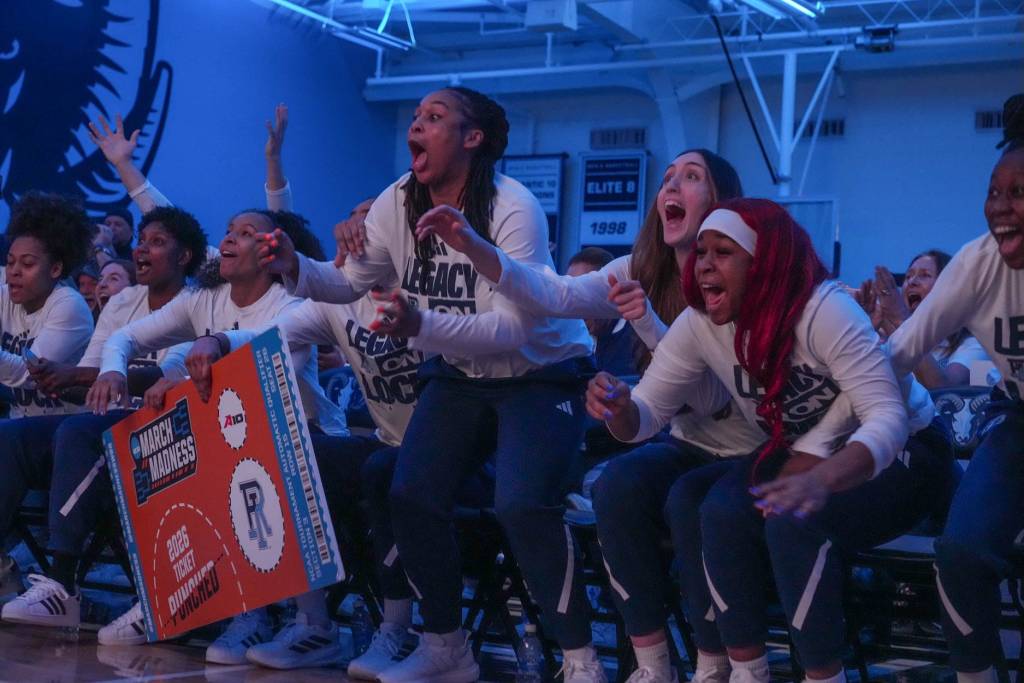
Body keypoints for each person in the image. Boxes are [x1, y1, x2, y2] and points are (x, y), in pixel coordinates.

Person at [261, 87, 604, 683]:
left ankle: (579, 657)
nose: (417, 125)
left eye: (434, 117)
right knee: (409, 490)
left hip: (539, 373)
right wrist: (295, 265)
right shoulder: (399, 197)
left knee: (521, 504)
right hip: (459, 373)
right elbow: (351, 284)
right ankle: (446, 645)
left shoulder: (512, 207)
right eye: (416, 116)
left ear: (472, 139)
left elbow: (515, 327)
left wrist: (421, 324)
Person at [420, 150, 765, 682]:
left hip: (750, 447)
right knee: (617, 485)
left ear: (723, 204)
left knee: (691, 502)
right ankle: (651, 664)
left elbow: (711, 395)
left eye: (691, 177)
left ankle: (715, 663)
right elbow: (552, 294)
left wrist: (646, 322)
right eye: (668, 177)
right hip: (693, 443)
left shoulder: (741, 276)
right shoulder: (638, 269)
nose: (671, 184)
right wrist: (474, 246)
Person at [587, 199, 951, 683]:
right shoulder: (701, 323)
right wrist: (620, 407)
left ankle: (823, 674)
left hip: (909, 448)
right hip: (807, 449)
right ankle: (739, 670)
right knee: (702, 501)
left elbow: (885, 416)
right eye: (702, 252)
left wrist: (822, 477)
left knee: (790, 519)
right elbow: (647, 414)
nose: (705, 264)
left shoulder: (824, 309)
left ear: (763, 265)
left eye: (723, 252)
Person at [0, 206, 207, 634]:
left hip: (168, 434)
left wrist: (74, 375)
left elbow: (166, 376)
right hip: (109, 425)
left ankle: (62, 585)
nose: (142, 249)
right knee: (11, 435)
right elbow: (94, 371)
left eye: (156, 242)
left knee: (79, 430)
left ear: (185, 256)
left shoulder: (196, 304)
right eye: (142, 240)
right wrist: (56, 379)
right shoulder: (125, 301)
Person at [884, 114, 1024, 683]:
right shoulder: (976, 262)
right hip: (1017, 418)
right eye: (994, 192)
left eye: (1018, 194)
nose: (1000, 206)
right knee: (961, 549)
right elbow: (898, 350)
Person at [0, 192, 95, 418]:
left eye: (27, 264)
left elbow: (27, 374)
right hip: (18, 424)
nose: (14, 271)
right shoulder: (5, 295)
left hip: (64, 424)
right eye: (10, 262)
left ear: (55, 269)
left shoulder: (69, 306)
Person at [856, 250, 990, 388]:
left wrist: (900, 318)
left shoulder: (975, 345)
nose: (912, 282)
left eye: (925, 275)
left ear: (950, 289)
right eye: (908, 276)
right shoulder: (888, 337)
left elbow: (944, 390)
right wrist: (863, 325)